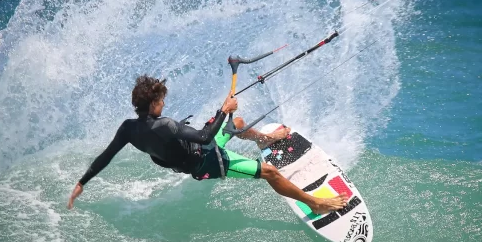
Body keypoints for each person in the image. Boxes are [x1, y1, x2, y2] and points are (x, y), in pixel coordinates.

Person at [67, 75, 348, 214]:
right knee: (270, 173)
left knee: (236, 126)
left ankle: (266, 138)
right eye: (161, 100)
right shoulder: (164, 124)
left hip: (198, 152)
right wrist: (224, 108)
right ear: (152, 104)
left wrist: (83, 181)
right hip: (207, 161)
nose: (164, 103)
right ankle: (316, 203)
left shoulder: (128, 128)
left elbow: (105, 156)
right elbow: (204, 138)